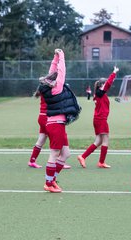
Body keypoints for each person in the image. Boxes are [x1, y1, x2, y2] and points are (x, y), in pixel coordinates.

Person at [38, 48, 79, 193]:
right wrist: (61, 55)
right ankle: (48, 183)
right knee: (54, 154)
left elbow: (53, 71)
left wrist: (55, 58)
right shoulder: (56, 87)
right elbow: (61, 72)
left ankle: (52, 180)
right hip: (55, 125)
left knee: (66, 154)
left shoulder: (50, 86)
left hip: (58, 124)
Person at [77, 66, 119, 169]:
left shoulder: (99, 94)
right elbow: (108, 83)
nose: (108, 86)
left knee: (98, 141)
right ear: (101, 85)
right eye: (105, 85)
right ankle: (101, 162)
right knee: (105, 140)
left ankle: (82, 156)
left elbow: (108, 84)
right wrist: (114, 72)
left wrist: (113, 75)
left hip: (98, 119)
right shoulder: (100, 93)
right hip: (101, 120)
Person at [28, 88, 71, 169]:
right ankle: (59, 161)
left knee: (41, 139)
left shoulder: (45, 88)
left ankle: (32, 161)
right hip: (48, 117)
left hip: (42, 116)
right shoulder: (53, 90)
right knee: (59, 138)